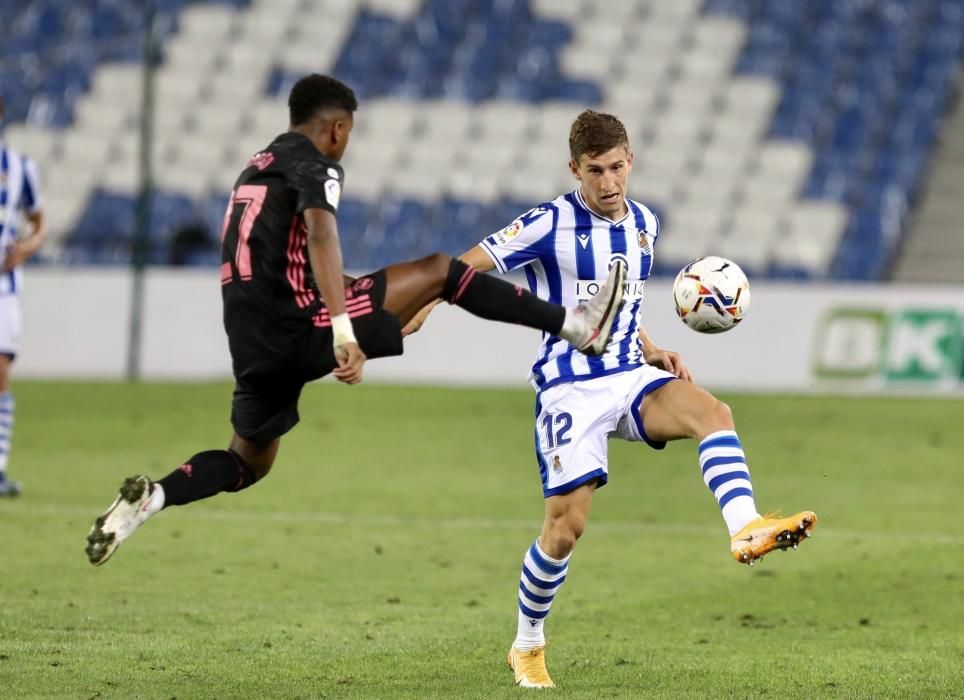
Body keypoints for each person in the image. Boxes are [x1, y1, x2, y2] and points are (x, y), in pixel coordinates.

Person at [84, 75, 627, 565]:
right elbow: (322, 236)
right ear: (337, 128)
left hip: (252, 344)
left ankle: (153, 496)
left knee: (246, 462)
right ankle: (578, 327)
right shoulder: (315, 164)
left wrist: (356, 307)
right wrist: (343, 330)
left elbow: (284, 260)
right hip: (303, 324)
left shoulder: (256, 167)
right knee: (440, 270)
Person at [404, 109, 817, 689]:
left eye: (617, 167)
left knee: (713, 413)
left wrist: (650, 347)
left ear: (631, 161)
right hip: (568, 387)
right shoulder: (550, 222)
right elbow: (461, 267)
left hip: (628, 376)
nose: (608, 182)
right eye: (595, 170)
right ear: (575, 169)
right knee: (565, 529)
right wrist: (421, 306)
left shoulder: (645, 222)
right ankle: (527, 645)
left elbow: (620, 300)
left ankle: (745, 525)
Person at [0, 96, 46, 497]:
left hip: (3, 288)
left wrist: (27, 248)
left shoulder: (18, 168)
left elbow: (39, 224)